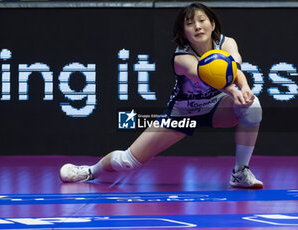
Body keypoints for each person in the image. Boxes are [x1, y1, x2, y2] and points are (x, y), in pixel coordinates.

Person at [59, 3, 263, 189]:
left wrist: (244, 88)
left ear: (212, 23)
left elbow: (234, 66)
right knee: (128, 161)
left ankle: (240, 173)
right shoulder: (182, 57)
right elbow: (209, 76)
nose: (198, 27)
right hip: (182, 115)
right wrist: (234, 91)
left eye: (202, 21)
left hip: (216, 108)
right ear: (183, 31)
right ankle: (88, 171)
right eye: (190, 24)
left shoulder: (227, 43)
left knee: (252, 106)